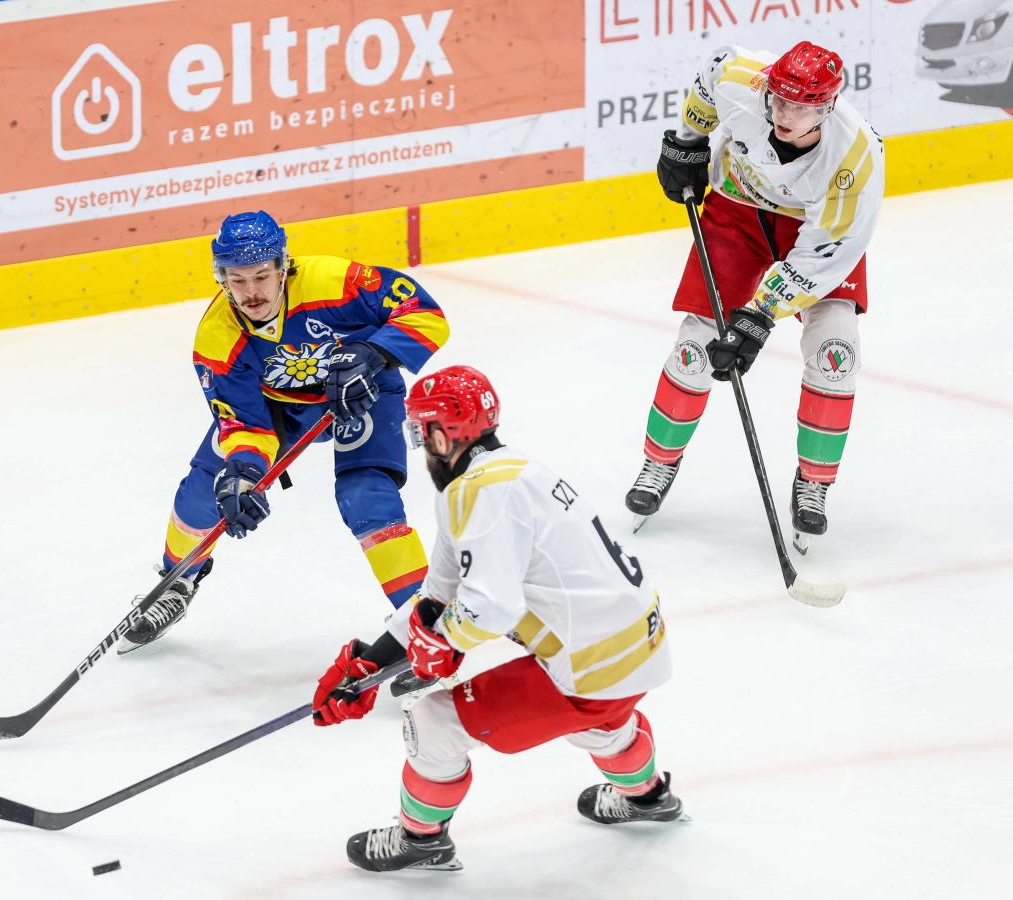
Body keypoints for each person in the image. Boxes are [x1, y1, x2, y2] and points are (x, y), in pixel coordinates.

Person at [310, 365, 683, 872]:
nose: (421, 445)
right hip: (637, 648)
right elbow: (438, 593)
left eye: (421, 431)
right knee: (596, 722)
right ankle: (648, 797)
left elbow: (491, 607)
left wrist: (443, 642)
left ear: (442, 434)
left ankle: (421, 839)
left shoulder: (479, 491)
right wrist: (370, 662)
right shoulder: (507, 473)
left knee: (434, 721)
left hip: (593, 668)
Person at [116, 211, 450, 653]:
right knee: (207, 489)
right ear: (222, 279)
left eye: (261, 276)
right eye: (237, 280)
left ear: (282, 267)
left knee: (366, 496)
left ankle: (423, 621)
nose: (251, 292)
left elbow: (425, 313)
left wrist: (372, 352)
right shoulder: (217, 337)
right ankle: (176, 582)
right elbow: (246, 424)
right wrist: (243, 475)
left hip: (362, 392)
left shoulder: (334, 281)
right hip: (280, 408)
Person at [629, 41, 884, 553]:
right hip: (738, 210)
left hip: (813, 233)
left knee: (836, 349)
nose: (784, 114)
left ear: (828, 106)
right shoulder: (741, 81)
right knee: (696, 345)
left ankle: (813, 483)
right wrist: (687, 143)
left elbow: (820, 256)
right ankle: (658, 463)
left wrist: (759, 317)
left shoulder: (855, 158)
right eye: (778, 100)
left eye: (801, 107)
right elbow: (711, 73)